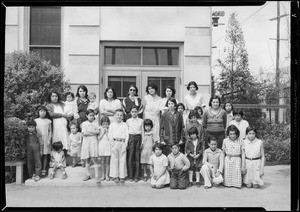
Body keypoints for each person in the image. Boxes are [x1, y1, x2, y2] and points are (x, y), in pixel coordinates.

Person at [108, 109, 129, 183]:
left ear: (123, 116)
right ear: (114, 115)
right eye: (117, 115)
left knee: (122, 160)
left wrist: (125, 144)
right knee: (114, 159)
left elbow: (127, 135)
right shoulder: (112, 125)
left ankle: (122, 176)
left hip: (122, 143)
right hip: (115, 143)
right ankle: (115, 175)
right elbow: (110, 135)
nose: (119, 116)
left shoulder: (125, 125)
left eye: (121, 115)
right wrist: (112, 144)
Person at [81, 109, 100, 182]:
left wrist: (89, 132)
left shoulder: (96, 123)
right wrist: (93, 132)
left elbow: (98, 132)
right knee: (87, 159)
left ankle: (97, 176)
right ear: (86, 116)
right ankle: (88, 174)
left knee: (95, 159)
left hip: (94, 142)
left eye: (93, 115)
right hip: (86, 142)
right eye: (90, 115)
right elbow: (84, 133)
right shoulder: (84, 123)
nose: (92, 117)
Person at [126, 106, 144, 182]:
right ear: (130, 113)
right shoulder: (128, 121)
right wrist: (127, 142)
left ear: (138, 112)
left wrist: (142, 142)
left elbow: (142, 132)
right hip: (130, 139)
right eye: (132, 112)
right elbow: (127, 132)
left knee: (137, 157)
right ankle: (130, 176)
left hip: (138, 138)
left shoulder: (141, 121)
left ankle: (137, 176)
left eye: (135, 111)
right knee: (130, 158)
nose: (134, 113)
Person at [35, 106, 52, 178]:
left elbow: (50, 131)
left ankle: (44, 170)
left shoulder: (48, 121)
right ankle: (38, 171)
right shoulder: (35, 120)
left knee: (45, 154)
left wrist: (48, 140)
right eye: (41, 111)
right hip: (38, 140)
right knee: (38, 155)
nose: (43, 113)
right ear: (38, 112)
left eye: (44, 111)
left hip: (46, 139)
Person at [98, 116, 111, 181]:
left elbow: (110, 138)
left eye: (106, 124)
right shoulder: (100, 129)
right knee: (102, 162)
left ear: (108, 123)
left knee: (107, 162)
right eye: (103, 124)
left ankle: (107, 175)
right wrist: (103, 132)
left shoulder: (110, 129)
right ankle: (103, 175)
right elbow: (99, 138)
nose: (105, 125)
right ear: (101, 124)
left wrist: (107, 132)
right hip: (102, 145)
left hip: (108, 145)